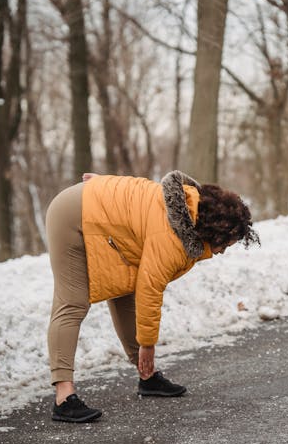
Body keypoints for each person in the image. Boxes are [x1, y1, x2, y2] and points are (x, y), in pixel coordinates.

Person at [45, 170, 259, 423]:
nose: (222, 252)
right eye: (225, 244)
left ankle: (147, 377)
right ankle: (63, 395)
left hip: (98, 210)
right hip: (71, 216)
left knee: (125, 287)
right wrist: (147, 346)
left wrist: (102, 185)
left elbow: (138, 199)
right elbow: (151, 289)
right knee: (73, 303)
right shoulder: (172, 238)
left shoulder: (188, 208)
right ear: (215, 231)